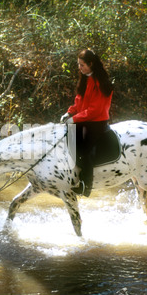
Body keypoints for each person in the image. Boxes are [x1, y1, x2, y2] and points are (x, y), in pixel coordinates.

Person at [60, 49, 113, 196]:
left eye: (82, 65)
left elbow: (94, 110)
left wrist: (74, 119)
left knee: (83, 149)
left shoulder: (101, 83)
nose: (80, 68)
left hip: (96, 122)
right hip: (84, 119)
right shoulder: (86, 78)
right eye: (79, 64)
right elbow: (79, 102)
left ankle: (86, 184)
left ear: (91, 64)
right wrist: (69, 112)